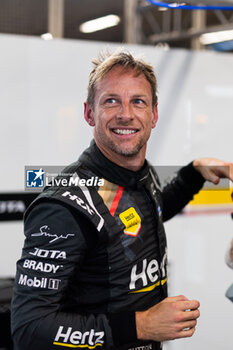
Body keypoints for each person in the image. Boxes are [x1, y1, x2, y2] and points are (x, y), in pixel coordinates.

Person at [11, 50, 233, 350]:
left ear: (154, 114)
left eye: (138, 101)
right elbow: (29, 328)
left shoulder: (140, 174)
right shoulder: (63, 206)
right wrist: (142, 325)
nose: (125, 114)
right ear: (90, 113)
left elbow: (149, 214)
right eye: (111, 100)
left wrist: (194, 174)